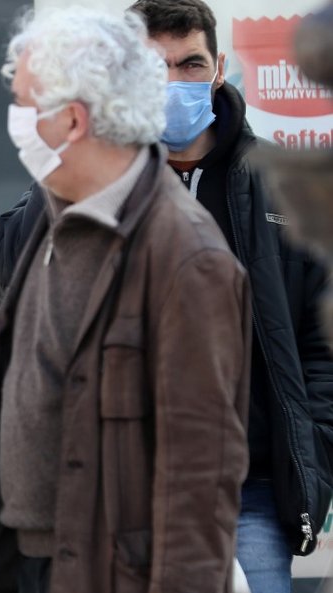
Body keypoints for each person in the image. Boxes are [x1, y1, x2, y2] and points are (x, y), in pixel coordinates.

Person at [0, 8, 251, 593]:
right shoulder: (52, 215)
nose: (13, 121)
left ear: (71, 119)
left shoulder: (185, 256)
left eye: (24, 103)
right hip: (22, 563)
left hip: (106, 573)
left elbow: (199, 481)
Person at [128, 2, 333, 590]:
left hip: (252, 493)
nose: (172, 83)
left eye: (189, 64)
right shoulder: (97, 183)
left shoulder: (282, 182)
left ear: (218, 67)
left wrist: (311, 453)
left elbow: (322, 337)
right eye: (151, 68)